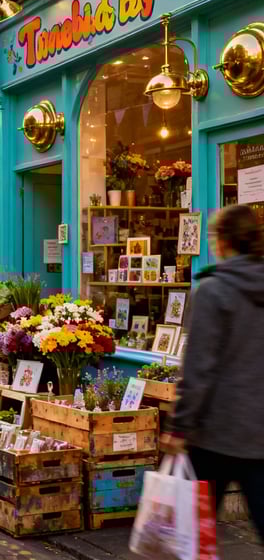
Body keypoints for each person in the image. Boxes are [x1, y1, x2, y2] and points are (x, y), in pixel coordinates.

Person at [161, 204, 264, 537]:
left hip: (216, 432)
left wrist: (179, 427)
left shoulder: (213, 290)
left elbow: (198, 368)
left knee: (193, 533)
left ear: (224, 242)